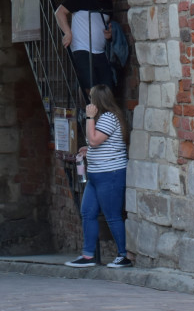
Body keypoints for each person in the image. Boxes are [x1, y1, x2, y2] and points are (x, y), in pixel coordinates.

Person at [65, 84, 132, 268]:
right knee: (87, 212)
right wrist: (88, 150)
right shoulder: (102, 119)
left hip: (110, 173)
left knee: (112, 215)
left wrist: (89, 117)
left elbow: (94, 140)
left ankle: (123, 255)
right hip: (96, 174)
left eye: (91, 98)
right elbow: (97, 143)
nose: (89, 102)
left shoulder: (108, 118)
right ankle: (88, 255)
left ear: (97, 101)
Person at [55, 0, 115, 98]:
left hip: (100, 52)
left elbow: (106, 27)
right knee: (90, 87)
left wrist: (109, 36)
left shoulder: (108, 3)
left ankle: (102, 115)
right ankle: (88, 114)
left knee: (107, 88)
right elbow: (59, 12)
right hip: (81, 49)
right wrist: (67, 32)